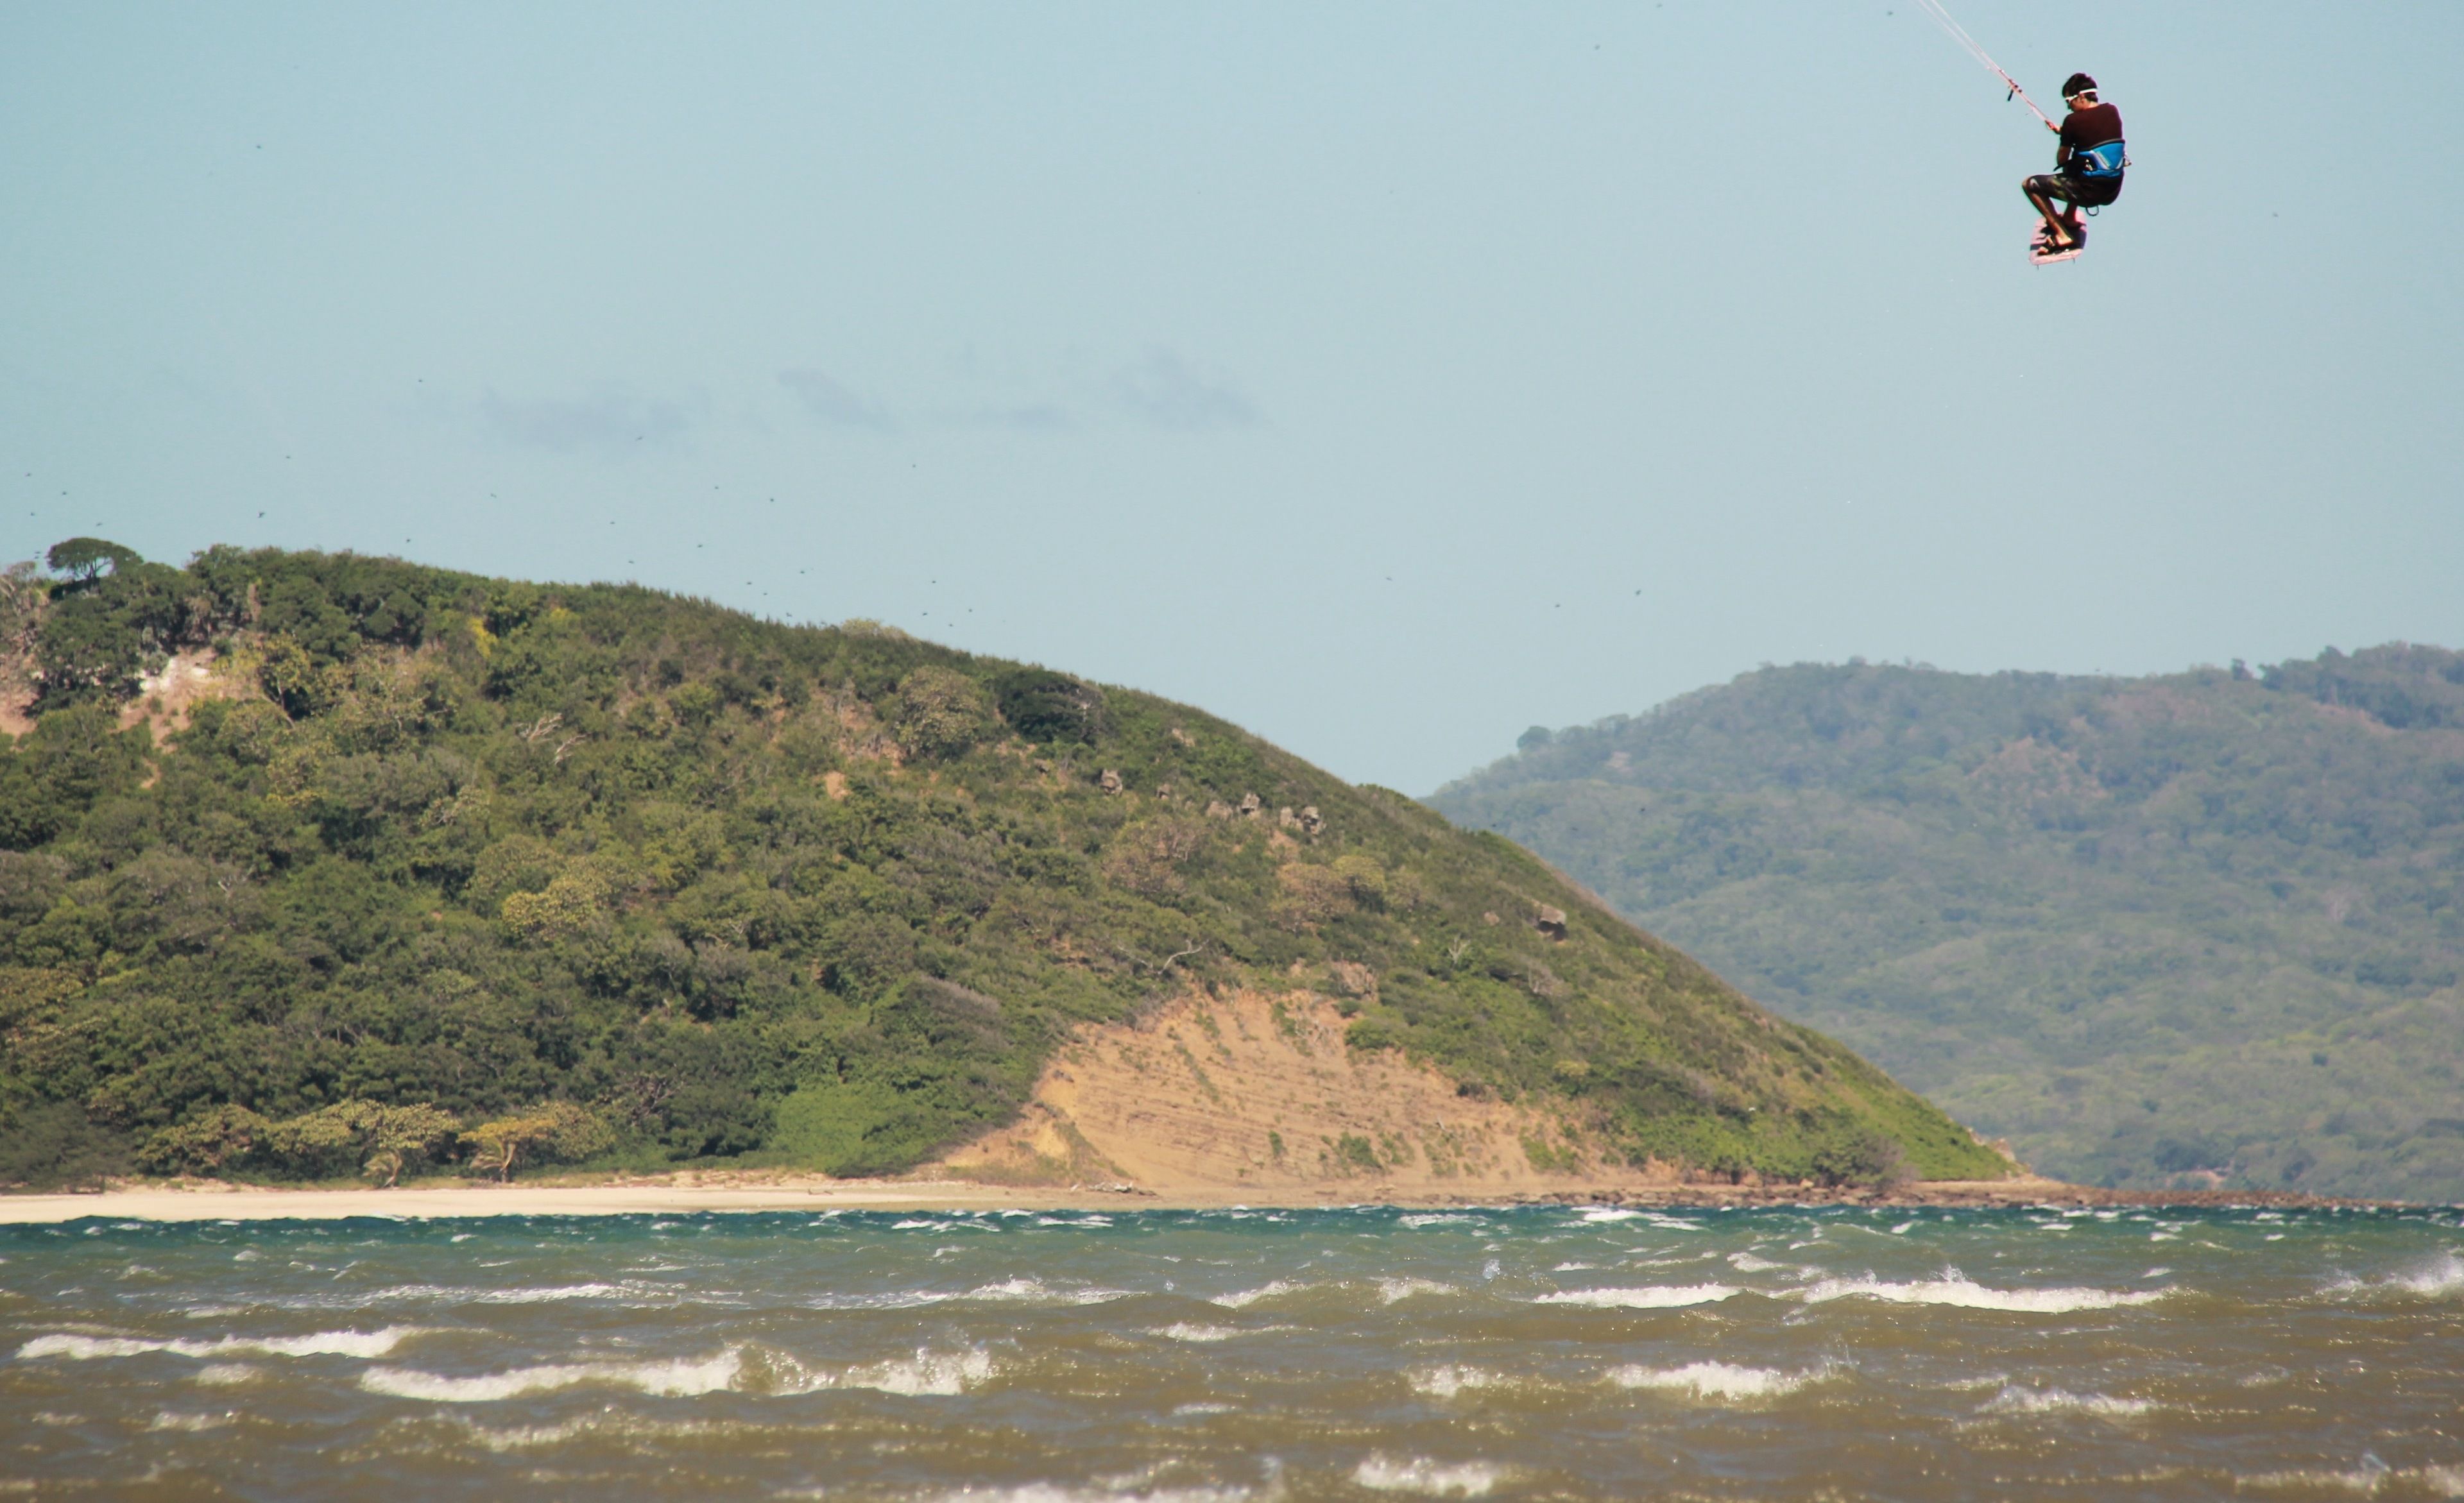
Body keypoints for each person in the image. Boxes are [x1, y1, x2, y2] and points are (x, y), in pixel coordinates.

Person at [2023, 74, 2125, 254]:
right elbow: (2094, 133)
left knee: (2031, 184)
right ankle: (2069, 218)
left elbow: (2061, 160)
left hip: (2090, 193)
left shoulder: (2072, 121)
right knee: (2081, 166)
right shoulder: (2112, 111)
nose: (2068, 106)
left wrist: (2065, 136)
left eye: (2069, 101)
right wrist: (2065, 133)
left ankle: (2062, 235)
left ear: (2081, 97)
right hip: (2113, 190)